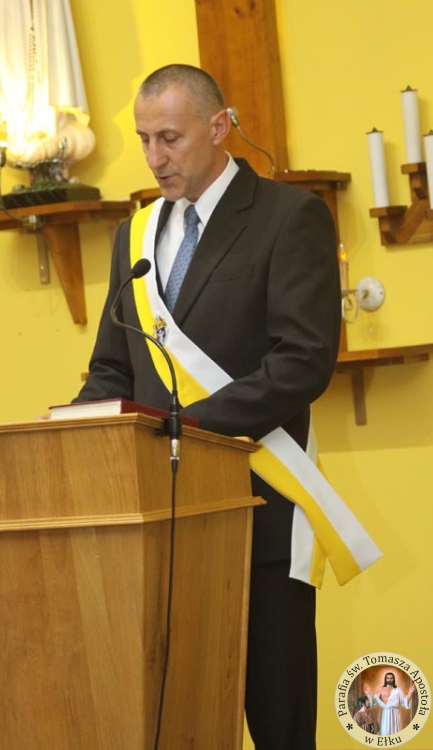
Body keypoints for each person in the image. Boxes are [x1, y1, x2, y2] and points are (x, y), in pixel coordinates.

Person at [75, 63, 342, 750]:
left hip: (258, 505)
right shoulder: (134, 236)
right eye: (144, 139)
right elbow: (113, 365)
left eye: (170, 137)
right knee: (175, 725)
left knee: (279, 725)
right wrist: (70, 434)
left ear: (219, 127)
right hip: (158, 523)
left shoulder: (289, 216)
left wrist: (186, 427)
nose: (154, 157)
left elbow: (303, 359)